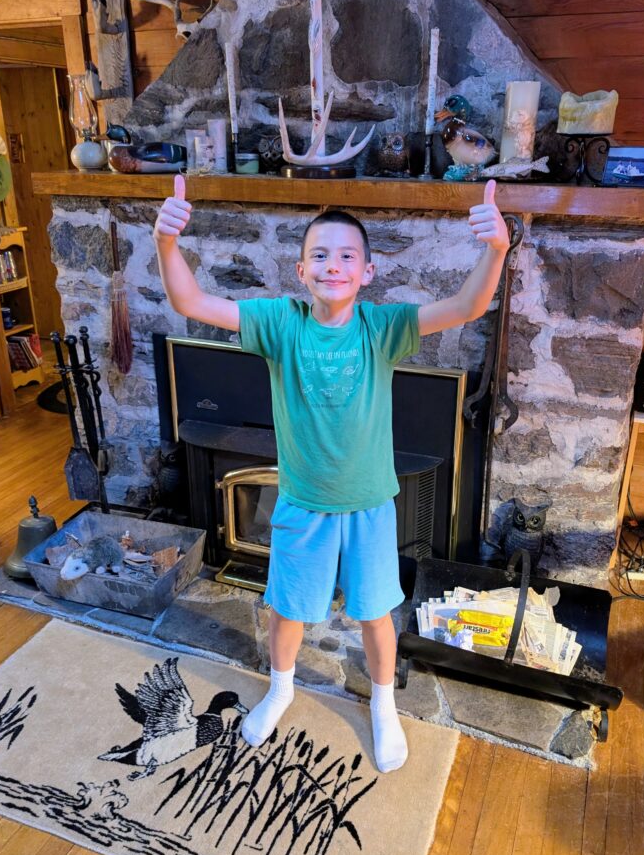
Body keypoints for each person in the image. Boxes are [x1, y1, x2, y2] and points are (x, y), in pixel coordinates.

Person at [154, 175, 510, 772]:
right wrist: (167, 244)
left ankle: (383, 704)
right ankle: (281, 688)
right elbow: (193, 303)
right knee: (287, 609)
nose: (333, 266)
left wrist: (496, 250)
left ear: (367, 272)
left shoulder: (381, 328)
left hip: (369, 505)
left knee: (374, 613)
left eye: (347, 257)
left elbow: (465, 307)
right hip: (302, 502)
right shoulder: (281, 323)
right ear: (301, 271)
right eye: (320, 256)